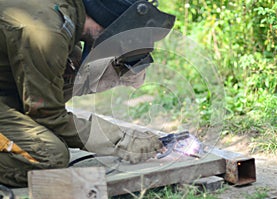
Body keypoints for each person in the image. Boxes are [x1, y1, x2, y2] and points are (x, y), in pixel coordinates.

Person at [0, 0, 171, 187]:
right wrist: (122, 140)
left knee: (70, 68)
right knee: (49, 155)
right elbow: (48, 115)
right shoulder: (48, 32)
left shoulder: (65, 14)